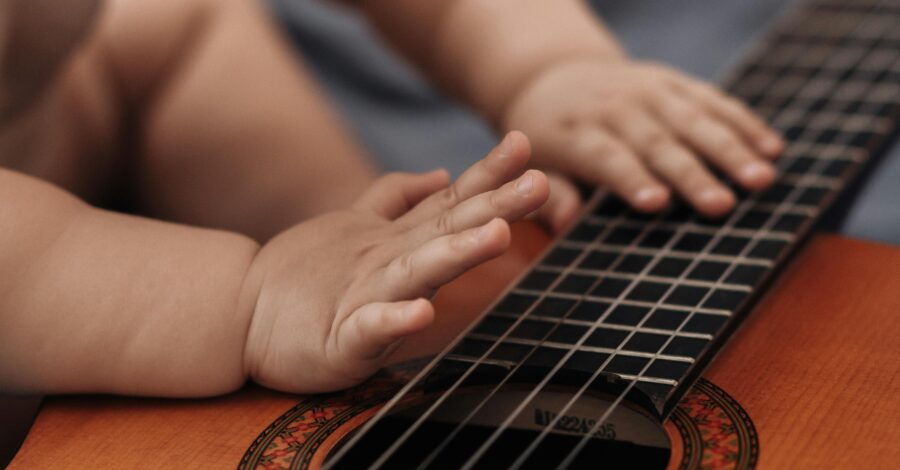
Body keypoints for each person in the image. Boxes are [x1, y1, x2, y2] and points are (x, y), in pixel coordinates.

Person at [0, 0, 782, 398]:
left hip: (64, 113)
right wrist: (242, 300)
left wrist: (542, 66)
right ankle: (269, 298)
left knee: (175, 19)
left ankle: (344, 246)